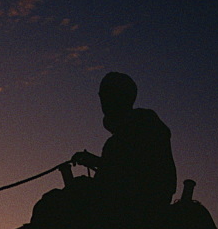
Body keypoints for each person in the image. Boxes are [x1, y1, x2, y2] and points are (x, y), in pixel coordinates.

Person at [71, 72, 177, 221]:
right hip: (129, 199)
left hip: (139, 204)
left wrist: (95, 163)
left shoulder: (143, 124)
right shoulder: (123, 135)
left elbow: (133, 173)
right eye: (102, 96)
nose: (104, 102)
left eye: (108, 95)